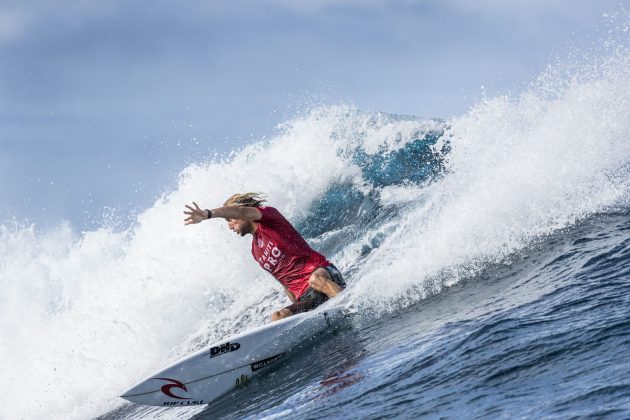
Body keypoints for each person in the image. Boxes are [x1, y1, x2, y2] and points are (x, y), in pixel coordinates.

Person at [183, 193, 345, 321]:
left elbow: (240, 211)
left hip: (325, 275)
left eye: (230, 220)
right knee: (278, 317)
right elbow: (286, 283)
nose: (229, 226)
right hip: (308, 296)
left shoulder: (270, 219)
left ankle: (350, 306)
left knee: (315, 280)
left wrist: (208, 214)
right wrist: (296, 308)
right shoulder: (256, 251)